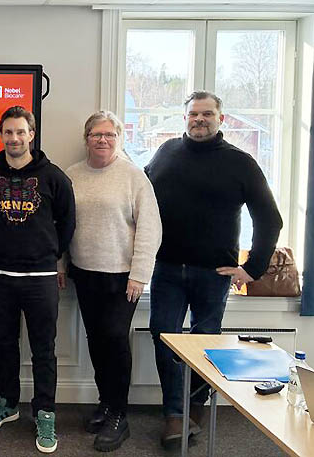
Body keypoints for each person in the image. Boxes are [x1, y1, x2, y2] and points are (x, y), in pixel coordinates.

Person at [145, 91, 283, 448]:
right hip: (166, 269)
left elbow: (270, 219)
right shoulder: (166, 152)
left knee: (205, 344)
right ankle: (175, 414)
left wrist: (252, 269)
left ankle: (194, 410)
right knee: (163, 337)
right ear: (185, 118)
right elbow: (141, 199)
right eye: (194, 114)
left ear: (220, 119)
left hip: (214, 274)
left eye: (207, 114)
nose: (200, 119)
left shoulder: (241, 162)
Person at [0, 106, 75, 454]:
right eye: (8, 132)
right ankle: (7, 402)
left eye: (20, 132)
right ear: (1, 135)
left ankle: (45, 412)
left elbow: (68, 223)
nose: (14, 138)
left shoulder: (54, 178)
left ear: (31, 134)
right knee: (4, 344)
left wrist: (51, 255)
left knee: (43, 350)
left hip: (40, 278)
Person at [62, 111, 161, 452]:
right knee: (96, 341)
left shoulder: (134, 177)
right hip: (84, 272)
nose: (102, 140)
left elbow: (150, 229)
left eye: (109, 134)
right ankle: (106, 403)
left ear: (119, 138)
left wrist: (140, 274)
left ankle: (120, 415)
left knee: (116, 341)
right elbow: (62, 225)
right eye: (96, 134)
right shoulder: (72, 175)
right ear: (86, 138)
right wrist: (61, 263)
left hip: (122, 277)